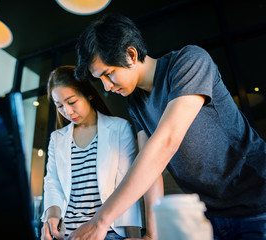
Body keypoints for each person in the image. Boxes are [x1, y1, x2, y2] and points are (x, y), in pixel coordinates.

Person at [69, 13, 266, 240]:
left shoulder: (188, 62)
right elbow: (151, 168)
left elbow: (166, 142)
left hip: (257, 202)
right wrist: (153, 233)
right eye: (100, 79)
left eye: (109, 74)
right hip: (210, 214)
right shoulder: (135, 102)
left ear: (131, 54)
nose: (106, 86)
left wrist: (101, 219)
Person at [40, 65, 142, 240]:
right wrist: (51, 216)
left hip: (107, 231)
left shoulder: (119, 128)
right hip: (68, 233)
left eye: (71, 102)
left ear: (88, 94)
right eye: (60, 106)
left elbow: (128, 184)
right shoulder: (57, 138)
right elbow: (52, 182)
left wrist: (134, 236)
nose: (67, 112)